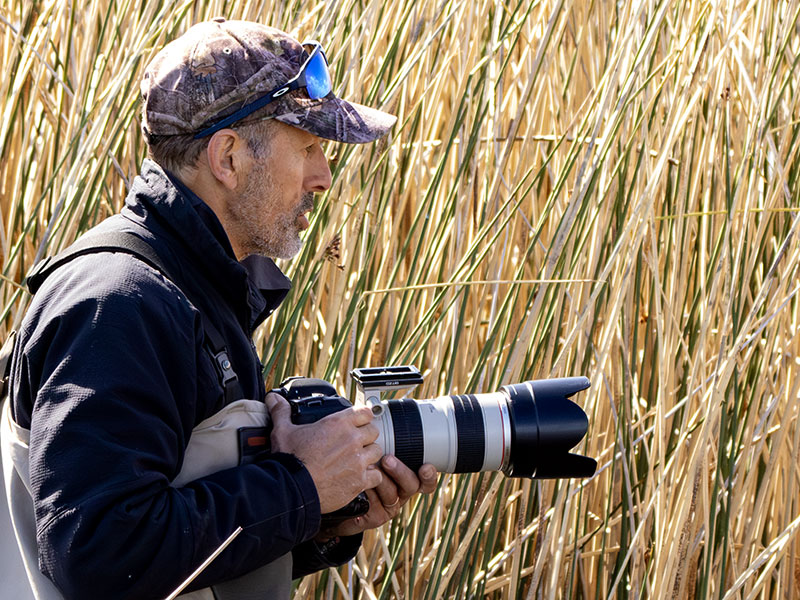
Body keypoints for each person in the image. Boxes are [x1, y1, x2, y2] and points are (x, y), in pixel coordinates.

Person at [0, 19, 437, 600]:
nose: (324, 177)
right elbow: (101, 553)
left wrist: (323, 516)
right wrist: (300, 485)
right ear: (227, 158)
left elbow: (178, 545)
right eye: (307, 147)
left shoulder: (191, 289)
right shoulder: (118, 304)